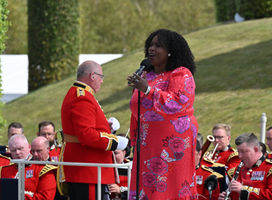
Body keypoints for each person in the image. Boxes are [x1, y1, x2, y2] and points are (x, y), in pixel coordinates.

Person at [127, 29, 198, 199]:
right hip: (147, 142)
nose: (152, 49)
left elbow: (177, 103)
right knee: (147, 185)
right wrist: (135, 137)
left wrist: (148, 90)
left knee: (168, 184)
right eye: (150, 45)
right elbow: (137, 110)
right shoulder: (147, 75)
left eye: (158, 46)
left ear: (170, 51)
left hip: (172, 141)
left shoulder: (180, 73)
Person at [61, 60, 128, 200]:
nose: (101, 81)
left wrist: (105, 127)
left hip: (87, 168)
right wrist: (115, 142)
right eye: (101, 77)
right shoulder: (82, 97)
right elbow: (86, 135)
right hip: (88, 169)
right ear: (92, 76)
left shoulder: (81, 94)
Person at [218, 133, 272, 200]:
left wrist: (243, 190)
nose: (240, 156)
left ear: (256, 149)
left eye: (244, 151)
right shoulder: (238, 170)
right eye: (238, 152)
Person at [1, 134, 57, 200]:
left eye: (20, 148)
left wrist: (17, 195)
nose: (17, 152)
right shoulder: (4, 169)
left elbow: (46, 198)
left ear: (29, 147)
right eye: (13, 150)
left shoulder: (43, 170)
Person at [109, 136, 132, 200]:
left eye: (116, 153)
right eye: (110, 153)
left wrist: (120, 190)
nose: (112, 157)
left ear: (124, 153)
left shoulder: (132, 167)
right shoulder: (101, 167)